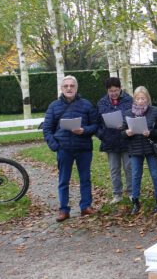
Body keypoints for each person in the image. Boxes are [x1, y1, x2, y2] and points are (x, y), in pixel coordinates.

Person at [43, 75, 99, 222]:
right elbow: (47, 129)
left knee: (85, 179)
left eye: (72, 86)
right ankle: (64, 209)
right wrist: (55, 146)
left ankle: (86, 207)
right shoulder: (54, 106)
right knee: (63, 180)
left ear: (76, 88)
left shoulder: (86, 104)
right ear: (62, 88)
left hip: (83, 148)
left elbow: (95, 125)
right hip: (64, 149)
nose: (69, 88)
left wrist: (84, 130)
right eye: (66, 86)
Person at [122, 86, 157, 214]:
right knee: (135, 175)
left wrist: (151, 133)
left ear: (148, 99)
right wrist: (127, 133)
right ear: (134, 99)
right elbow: (122, 132)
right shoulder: (128, 113)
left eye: (143, 98)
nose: (140, 101)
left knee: (155, 174)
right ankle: (135, 201)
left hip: (151, 148)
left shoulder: (155, 111)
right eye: (138, 98)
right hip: (135, 149)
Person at [96, 77, 133, 204]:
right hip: (110, 140)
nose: (114, 93)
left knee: (129, 167)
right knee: (114, 168)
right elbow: (98, 121)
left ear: (120, 88)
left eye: (116, 90)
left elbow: (133, 116)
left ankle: (131, 192)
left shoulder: (129, 100)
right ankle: (117, 194)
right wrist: (102, 135)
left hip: (126, 140)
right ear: (107, 90)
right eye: (111, 91)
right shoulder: (102, 103)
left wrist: (125, 125)